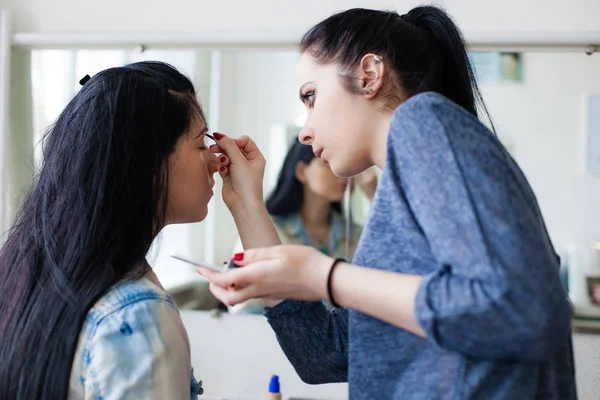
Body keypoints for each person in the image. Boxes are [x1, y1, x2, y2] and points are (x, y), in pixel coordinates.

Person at [199, 6, 576, 400]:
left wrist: (325, 276)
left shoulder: (424, 121)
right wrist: (247, 205)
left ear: (370, 74)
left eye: (311, 96)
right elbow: (323, 354)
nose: (305, 132)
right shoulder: (399, 185)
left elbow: (524, 312)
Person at [0, 62, 218, 399]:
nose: (216, 160)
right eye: (200, 145)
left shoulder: (22, 274)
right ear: (150, 165)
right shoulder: (136, 315)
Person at [229, 139, 375, 313]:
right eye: (327, 163)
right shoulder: (269, 232)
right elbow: (245, 306)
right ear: (301, 171)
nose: (341, 172)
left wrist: (374, 194)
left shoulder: (357, 235)